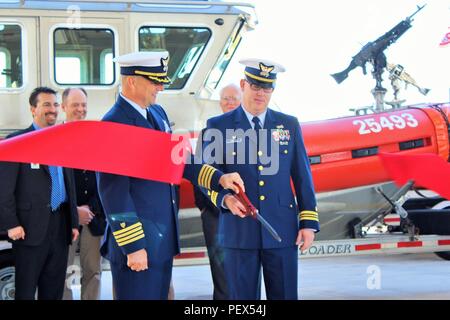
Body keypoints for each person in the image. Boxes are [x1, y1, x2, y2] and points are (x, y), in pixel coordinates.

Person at [96, 51, 245, 300]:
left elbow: (179, 159)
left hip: (161, 241)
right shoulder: (114, 124)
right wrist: (133, 247)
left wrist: (219, 178)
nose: (160, 86)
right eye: (154, 81)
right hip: (138, 245)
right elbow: (114, 193)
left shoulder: (157, 114)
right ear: (131, 81)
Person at [199, 58, 320, 300]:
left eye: (267, 88)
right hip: (238, 231)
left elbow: (302, 176)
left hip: (281, 230)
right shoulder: (218, 125)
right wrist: (225, 200)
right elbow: (205, 178)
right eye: (255, 86)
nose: (261, 93)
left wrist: (308, 223)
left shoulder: (289, 125)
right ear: (243, 84)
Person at [0, 87, 79, 300]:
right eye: (46, 105)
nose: (52, 110)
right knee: (25, 292)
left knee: (53, 291)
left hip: (60, 227)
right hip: (28, 230)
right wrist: (11, 223)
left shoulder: (64, 140)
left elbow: (69, 184)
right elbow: (4, 188)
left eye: (55, 105)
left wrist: (72, 221)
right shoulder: (16, 142)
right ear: (33, 109)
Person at [193, 83, 242, 299]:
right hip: (216, 213)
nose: (229, 102)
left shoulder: (254, 132)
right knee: (221, 273)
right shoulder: (208, 133)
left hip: (247, 213)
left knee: (246, 273)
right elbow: (200, 173)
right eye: (225, 99)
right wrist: (208, 207)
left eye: (234, 98)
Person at [61, 88, 106, 300]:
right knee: (62, 272)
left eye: (83, 105)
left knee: (94, 272)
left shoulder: (96, 138)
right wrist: (73, 211)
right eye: (75, 105)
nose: (80, 109)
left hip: (93, 217)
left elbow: (103, 180)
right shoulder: (55, 138)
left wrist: (91, 208)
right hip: (64, 218)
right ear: (63, 107)